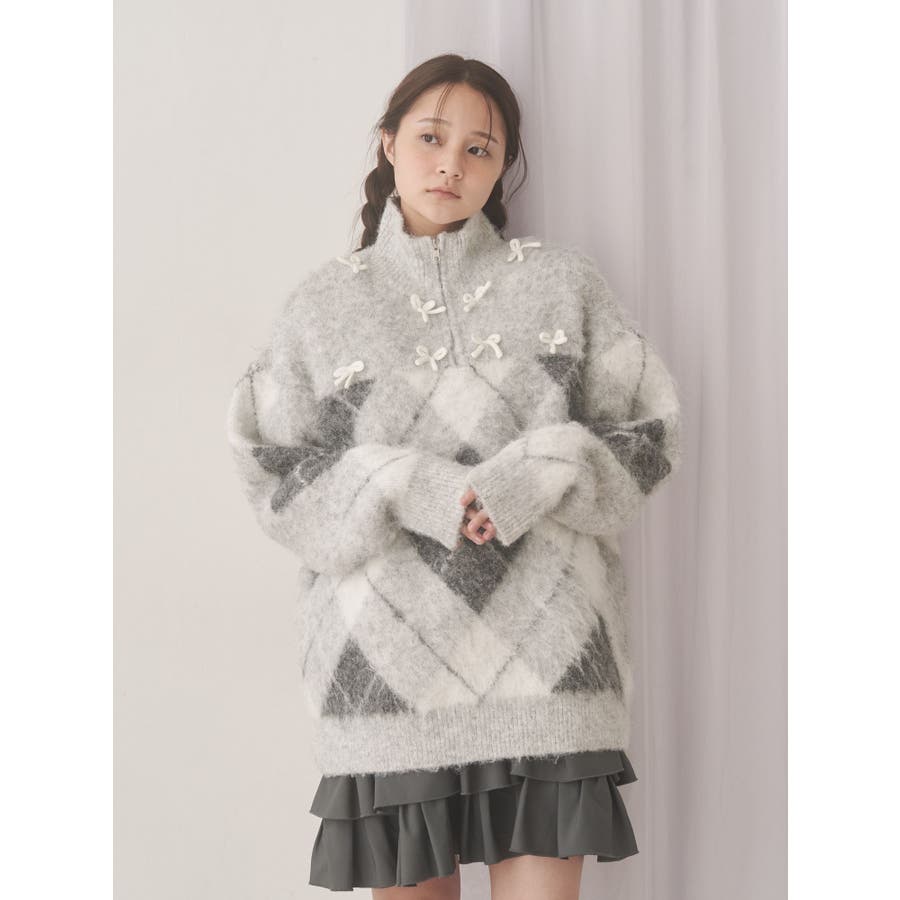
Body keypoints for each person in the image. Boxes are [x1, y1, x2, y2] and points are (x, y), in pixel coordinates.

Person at [225, 54, 683, 899]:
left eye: (480, 149)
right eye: (432, 138)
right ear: (388, 142)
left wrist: (538, 472)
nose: (451, 165)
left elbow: (649, 431)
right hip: (385, 669)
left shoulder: (562, 282)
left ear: (502, 167)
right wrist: (403, 481)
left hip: (551, 660)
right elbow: (270, 468)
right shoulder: (321, 306)